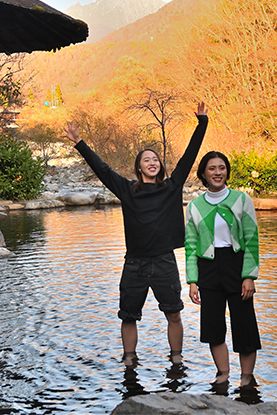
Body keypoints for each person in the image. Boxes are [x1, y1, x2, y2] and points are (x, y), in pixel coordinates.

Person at [64, 102, 208, 366]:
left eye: (155, 160)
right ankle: (129, 360)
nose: (152, 163)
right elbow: (103, 169)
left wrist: (202, 123)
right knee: (128, 316)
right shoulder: (128, 189)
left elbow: (189, 156)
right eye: (146, 160)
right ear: (139, 168)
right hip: (135, 263)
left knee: (174, 313)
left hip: (164, 261)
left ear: (160, 166)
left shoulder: (172, 186)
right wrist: (79, 143)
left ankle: (176, 359)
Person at [185, 151, 261, 388]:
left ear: (227, 171)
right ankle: (223, 374)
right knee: (212, 326)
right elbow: (191, 245)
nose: (217, 173)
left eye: (221, 168)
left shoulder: (241, 199)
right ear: (203, 174)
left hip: (235, 264)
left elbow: (251, 239)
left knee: (244, 324)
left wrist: (249, 276)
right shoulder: (195, 206)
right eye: (212, 169)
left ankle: (246, 378)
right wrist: (192, 280)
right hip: (208, 268)